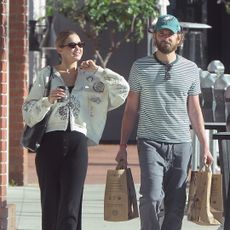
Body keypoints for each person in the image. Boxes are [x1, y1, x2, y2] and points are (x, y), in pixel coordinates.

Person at [22, 30, 129, 230]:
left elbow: (123, 89)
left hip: (77, 144)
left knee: (71, 206)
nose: (78, 48)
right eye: (72, 45)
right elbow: (27, 112)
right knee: (50, 205)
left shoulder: (90, 77)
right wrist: (48, 101)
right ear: (59, 49)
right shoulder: (46, 75)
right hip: (48, 145)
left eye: (80, 44)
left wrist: (99, 70)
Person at [115, 14, 214, 230]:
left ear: (179, 38)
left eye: (170, 34)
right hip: (150, 142)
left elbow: (195, 110)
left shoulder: (190, 69)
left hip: (181, 145)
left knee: (176, 203)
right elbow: (131, 109)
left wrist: (205, 146)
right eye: (161, 33)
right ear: (154, 37)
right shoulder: (140, 67)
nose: (165, 37)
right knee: (150, 198)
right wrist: (122, 146)